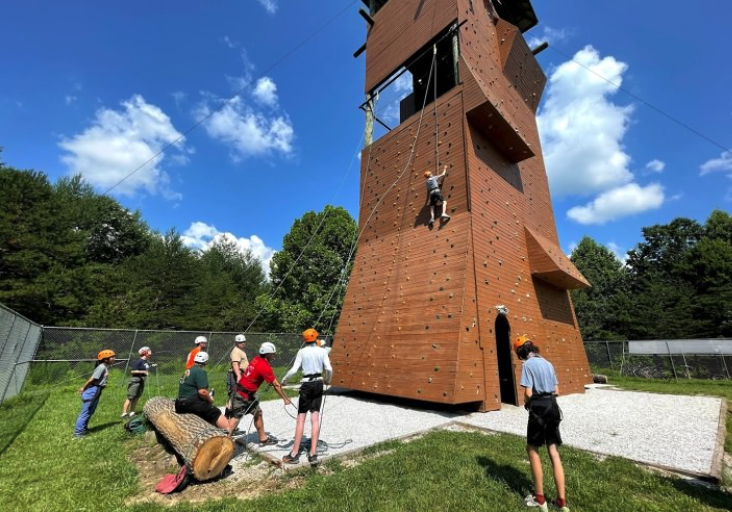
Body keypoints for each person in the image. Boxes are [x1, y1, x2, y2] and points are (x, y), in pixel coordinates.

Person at [515, 335, 569, 512]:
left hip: (538, 407)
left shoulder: (527, 365)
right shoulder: (548, 363)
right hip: (553, 406)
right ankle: (561, 503)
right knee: (553, 451)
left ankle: (540, 499)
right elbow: (557, 391)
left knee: (532, 449)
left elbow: (528, 393)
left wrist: (528, 404)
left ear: (521, 352)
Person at [281, 328, 333, 466]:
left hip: (307, 384)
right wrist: (327, 380)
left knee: (300, 420)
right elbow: (329, 369)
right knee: (315, 418)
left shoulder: (301, 352)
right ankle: (313, 453)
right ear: (315, 338)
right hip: (318, 384)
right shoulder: (322, 351)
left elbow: (293, 370)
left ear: (304, 339)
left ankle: (294, 453)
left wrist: (284, 381)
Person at [229, 342, 292, 446]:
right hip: (242, 395)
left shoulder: (257, 359)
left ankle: (263, 439)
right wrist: (285, 399)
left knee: (258, 413)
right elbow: (276, 385)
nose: (274, 356)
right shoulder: (264, 365)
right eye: (272, 354)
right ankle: (221, 443)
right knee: (235, 418)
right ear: (267, 354)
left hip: (245, 393)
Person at [175, 351, 238, 432]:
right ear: (205, 362)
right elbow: (202, 392)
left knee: (206, 411)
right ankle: (228, 429)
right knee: (215, 412)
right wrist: (210, 399)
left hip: (180, 404)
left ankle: (213, 431)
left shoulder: (188, 371)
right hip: (191, 403)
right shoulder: (200, 371)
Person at [74, 349, 116, 439]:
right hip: (93, 390)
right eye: (111, 357)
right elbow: (91, 380)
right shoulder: (101, 367)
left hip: (97, 390)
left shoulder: (105, 366)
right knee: (85, 412)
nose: (114, 358)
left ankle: (83, 429)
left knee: (90, 411)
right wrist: (83, 389)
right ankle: (78, 434)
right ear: (105, 359)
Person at [122, 346, 153, 418]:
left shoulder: (145, 361)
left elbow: (145, 368)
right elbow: (133, 371)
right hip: (135, 381)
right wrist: (143, 371)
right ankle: (124, 413)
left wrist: (151, 366)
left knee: (137, 397)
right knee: (131, 396)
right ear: (145, 353)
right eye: (149, 351)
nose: (150, 352)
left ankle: (132, 412)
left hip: (141, 381)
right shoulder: (139, 361)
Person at [225, 334, 249, 417]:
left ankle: (228, 422)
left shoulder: (241, 350)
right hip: (235, 376)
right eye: (240, 342)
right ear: (236, 343)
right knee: (233, 397)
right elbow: (235, 364)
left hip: (239, 375)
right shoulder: (236, 351)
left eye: (243, 341)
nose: (242, 343)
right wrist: (239, 376)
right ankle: (227, 422)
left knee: (234, 398)